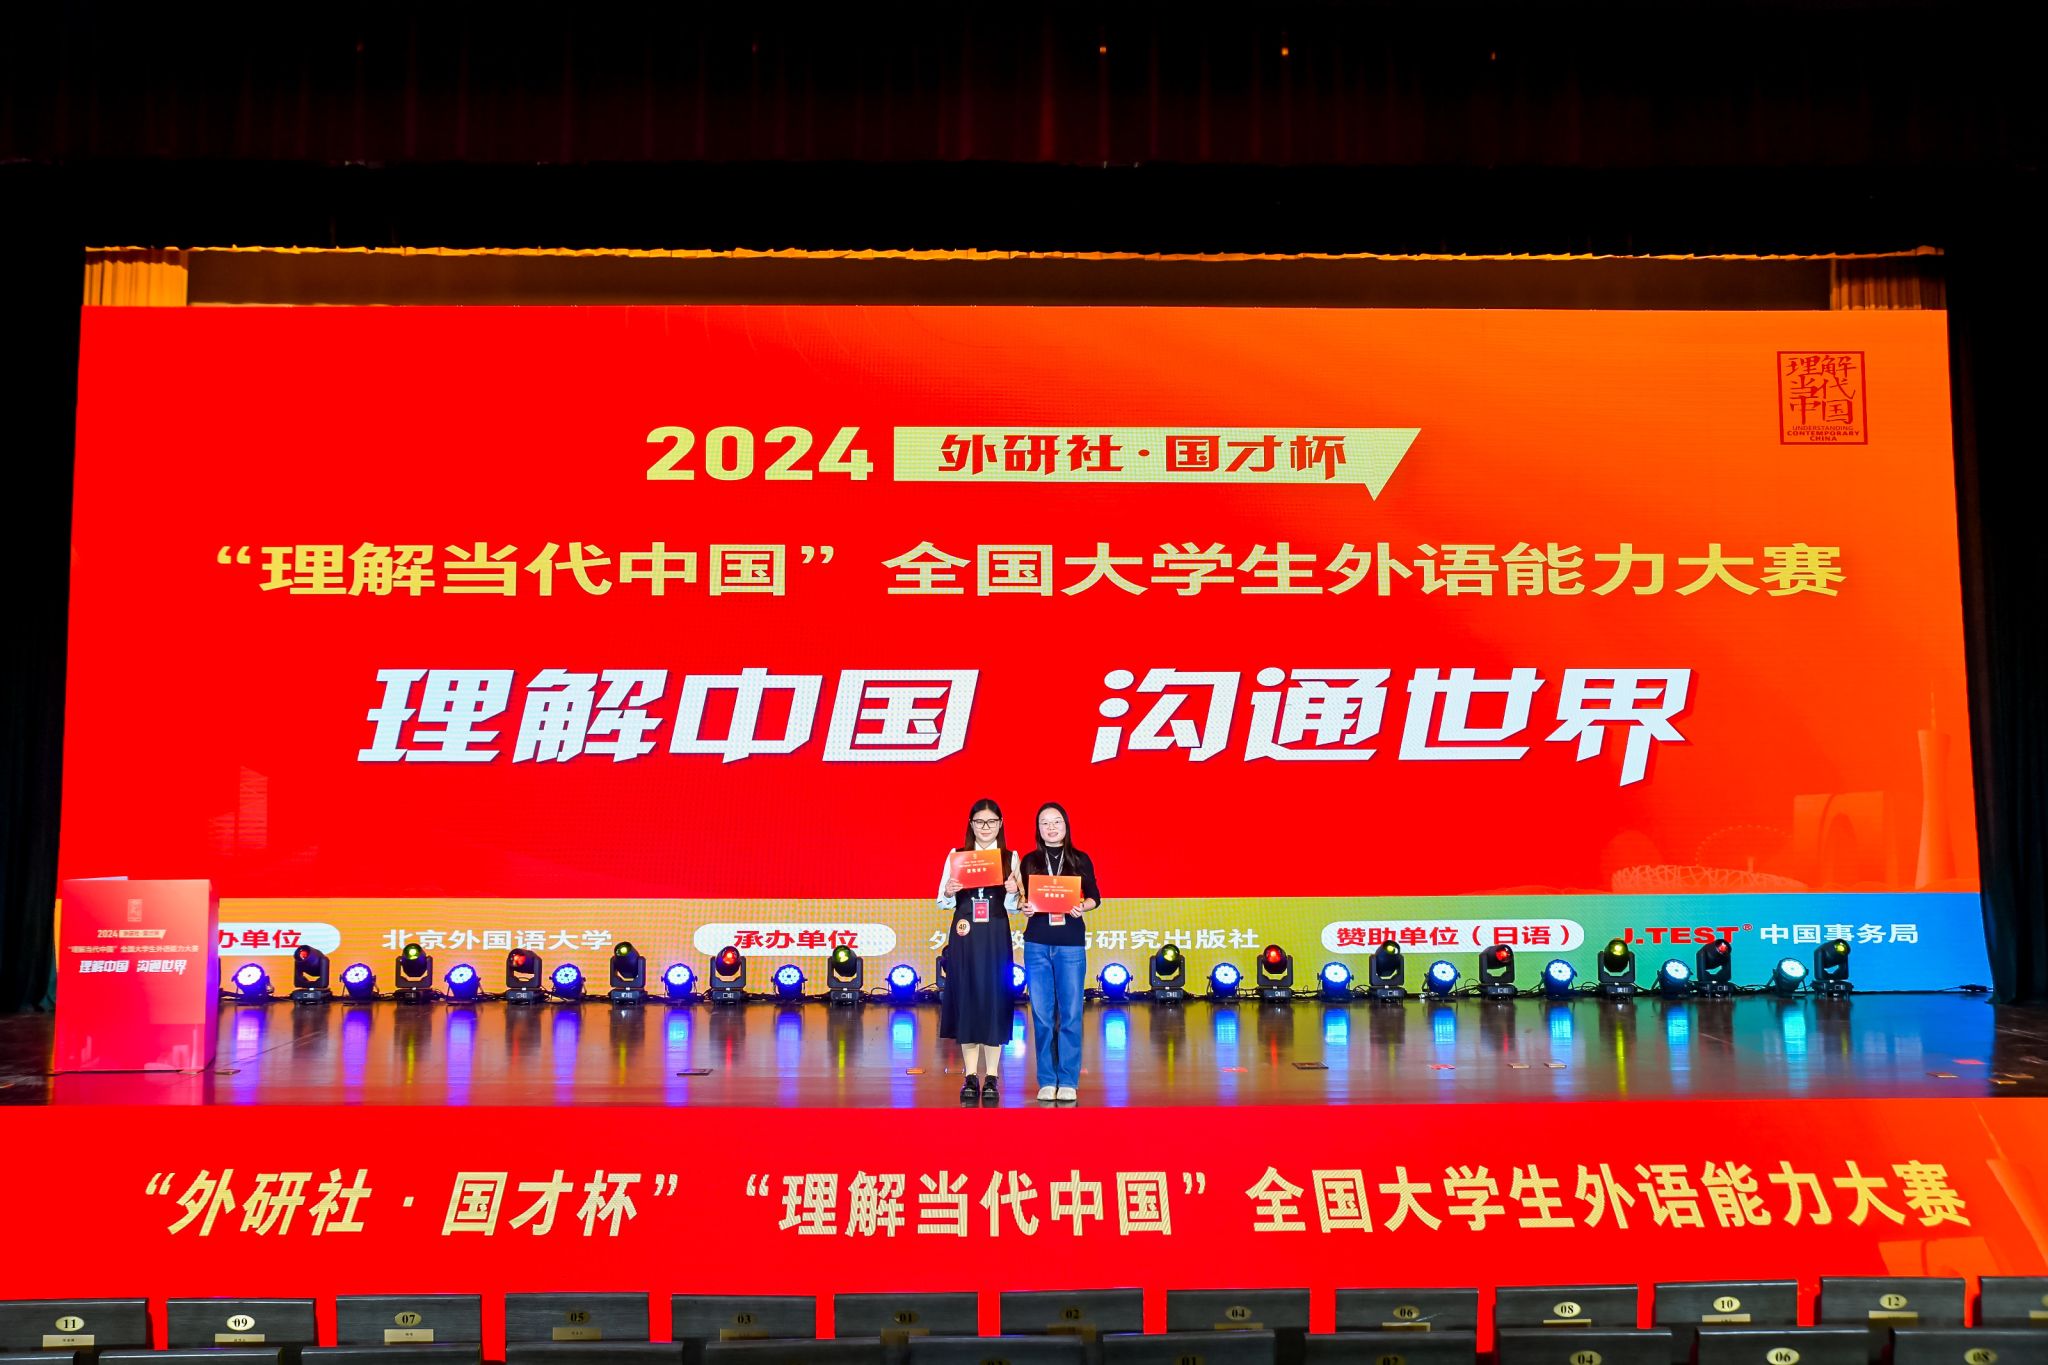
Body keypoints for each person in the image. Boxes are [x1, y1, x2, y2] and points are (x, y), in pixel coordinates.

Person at [936, 797, 1021, 1106]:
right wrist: (949, 891)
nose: (985, 827)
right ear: (971, 825)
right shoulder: (956, 855)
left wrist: (1014, 892)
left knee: (995, 997)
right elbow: (942, 900)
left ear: (1000, 824)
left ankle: (992, 1076)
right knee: (968, 996)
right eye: (979, 821)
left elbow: (1017, 907)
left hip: (995, 932)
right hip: (965, 933)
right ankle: (971, 1075)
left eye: (991, 821)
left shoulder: (1010, 857)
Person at [1018, 801, 1101, 1104]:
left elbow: (1095, 897)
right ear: (1038, 829)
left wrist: (1082, 906)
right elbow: (1022, 899)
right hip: (1037, 944)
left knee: (1070, 1014)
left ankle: (1067, 1079)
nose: (1051, 828)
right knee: (1041, 1015)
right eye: (1045, 823)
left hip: (1070, 944)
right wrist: (1024, 906)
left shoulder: (1079, 859)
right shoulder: (1029, 861)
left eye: (1056, 822)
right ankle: (1046, 1079)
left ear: (1066, 825)